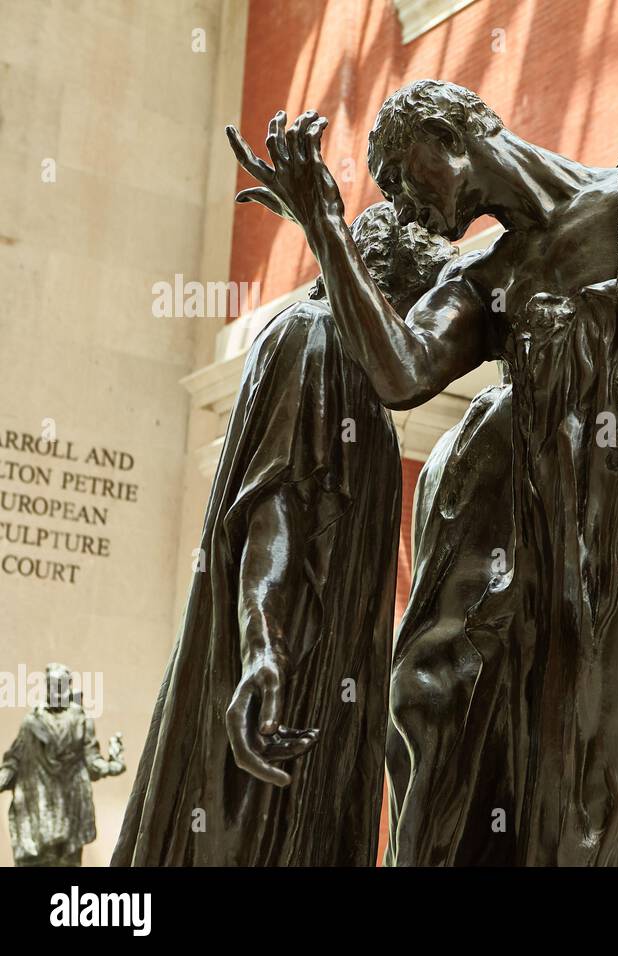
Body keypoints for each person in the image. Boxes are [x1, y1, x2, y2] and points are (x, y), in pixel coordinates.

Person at [228, 80, 618, 865]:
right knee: (522, 774)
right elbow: (401, 373)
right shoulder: (486, 278)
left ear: (450, 135)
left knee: (616, 779)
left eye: (407, 180)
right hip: (548, 559)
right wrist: (323, 226)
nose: (406, 208)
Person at [112, 203, 452, 866]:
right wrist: (263, 645)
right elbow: (275, 504)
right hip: (291, 656)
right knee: (252, 832)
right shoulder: (315, 337)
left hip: (325, 664)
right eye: (408, 307)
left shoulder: (358, 371)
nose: (409, 335)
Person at [2, 663, 124, 866]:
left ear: (68, 687)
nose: (56, 689)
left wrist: (114, 764)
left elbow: (93, 762)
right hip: (37, 815)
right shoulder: (32, 722)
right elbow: (14, 759)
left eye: (61, 685)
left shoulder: (80, 720)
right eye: (52, 684)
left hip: (71, 814)